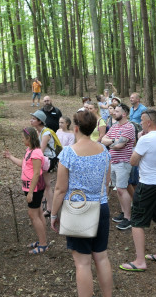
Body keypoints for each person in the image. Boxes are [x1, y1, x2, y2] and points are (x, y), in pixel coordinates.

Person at [50, 110, 113, 297]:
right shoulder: (104, 151)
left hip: (78, 210)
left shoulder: (68, 153)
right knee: (101, 257)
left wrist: (54, 214)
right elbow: (107, 183)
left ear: (75, 128)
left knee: (83, 263)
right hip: (101, 207)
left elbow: (60, 189)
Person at [119, 109, 156, 271]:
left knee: (136, 221)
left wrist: (138, 141)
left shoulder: (145, 139)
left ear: (148, 122)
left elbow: (133, 161)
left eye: (141, 120)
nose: (140, 123)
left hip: (147, 184)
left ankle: (140, 261)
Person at [3, 127, 49, 254]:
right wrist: (10, 157)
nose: (22, 140)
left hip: (34, 188)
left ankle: (44, 244)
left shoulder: (36, 153)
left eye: (23, 138)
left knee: (33, 215)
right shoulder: (29, 150)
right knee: (38, 213)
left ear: (29, 138)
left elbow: (36, 174)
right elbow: (23, 164)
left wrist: (30, 192)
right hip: (29, 187)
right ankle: (42, 240)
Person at [101, 103, 136, 230]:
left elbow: (119, 146)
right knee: (120, 189)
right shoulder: (115, 126)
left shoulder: (129, 127)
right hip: (113, 161)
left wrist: (111, 142)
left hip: (123, 162)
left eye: (117, 111)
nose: (114, 113)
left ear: (124, 114)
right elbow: (103, 139)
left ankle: (128, 218)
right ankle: (123, 212)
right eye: (114, 110)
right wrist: (113, 141)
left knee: (121, 189)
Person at [30, 110, 58, 217]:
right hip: (42, 160)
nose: (31, 120)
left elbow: (40, 151)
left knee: (47, 185)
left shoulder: (46, 133)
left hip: (48, 160)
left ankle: (50, 209)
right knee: (43, 185)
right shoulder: (38, 132)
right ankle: (44, 206)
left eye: (33, 119)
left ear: (39, 121)